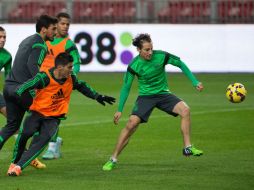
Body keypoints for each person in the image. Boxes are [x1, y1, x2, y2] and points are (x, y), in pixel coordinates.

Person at [102, 33, 204, 171]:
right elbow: (126, 87)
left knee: (185, 110)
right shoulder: (134, 65)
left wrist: (194, 81)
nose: (150, 52)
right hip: (146, 97)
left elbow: (180, 63)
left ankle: (188, 147)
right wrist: (120, 109)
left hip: (163, 94)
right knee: (131, 124)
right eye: (146, 50)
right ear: (138, 50)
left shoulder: (161, 56)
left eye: (151, 49)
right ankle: (112, 159)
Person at [7, 52, 115, 176]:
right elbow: (25, 86)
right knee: (24, 135)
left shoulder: (71, 78)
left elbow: (81, 86)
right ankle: (14, 162)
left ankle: (18, 168)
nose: (72, 70)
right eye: (69, 67)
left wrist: (97, 96)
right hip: (36, 113)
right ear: (59, 68)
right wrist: (17, 96)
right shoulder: (44, 77)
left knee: (41, 142)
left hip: (54, 118)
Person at [0, 15, 58, 169]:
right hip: (22, 90)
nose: (56, 32)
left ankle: (20, 158)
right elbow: (33, 65)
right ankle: (26, 157)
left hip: (9, 88)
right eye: (53, 29)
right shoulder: (40, 45)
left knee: (11, 126)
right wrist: (41, 83)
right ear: (44, 29)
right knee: (47, 119)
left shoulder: (26, 40)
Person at [41, 12, 82, 160]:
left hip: (57, 84)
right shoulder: (45, 40)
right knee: (37, 117)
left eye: (68, 24)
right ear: (55, 25)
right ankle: (55, 141)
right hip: (42, 83)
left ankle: (52, 148)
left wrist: (71, 75)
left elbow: (76, 62)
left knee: (53, 114)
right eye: (63, 23)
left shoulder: (68, 44)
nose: (65, 27)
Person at [0, 26, 12, 117]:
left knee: (12, 120)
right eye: (0, 37)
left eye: (4, 37)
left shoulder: (7, 56)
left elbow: (8, 79)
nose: (3, 39)